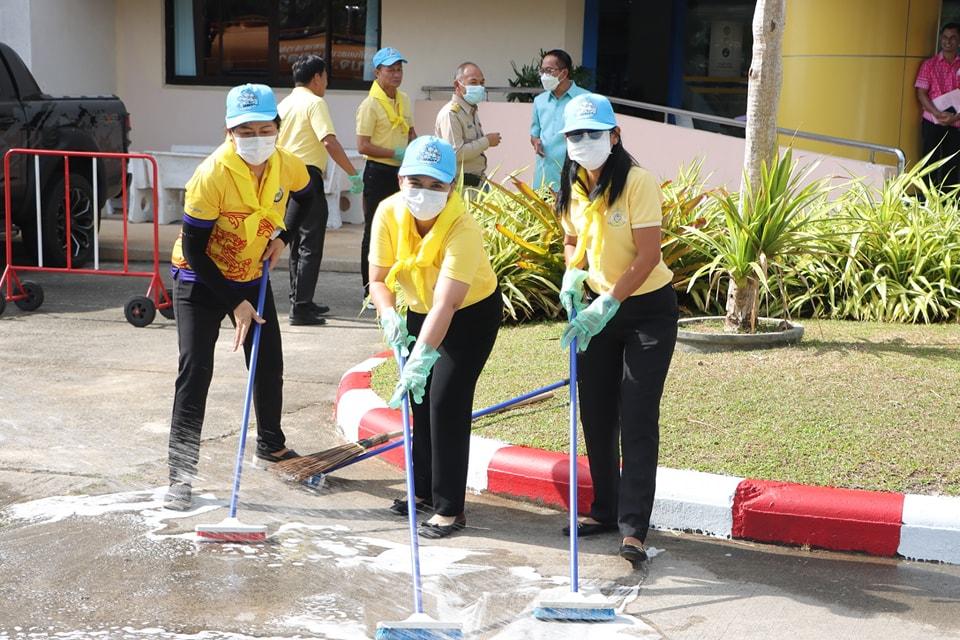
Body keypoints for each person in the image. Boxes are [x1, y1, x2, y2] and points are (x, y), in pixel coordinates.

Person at [164, 83, 312, 511]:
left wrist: (282, 237)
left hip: (249, 274)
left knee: (267, 362)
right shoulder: (211, 175)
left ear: (277, 128)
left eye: (264, 130)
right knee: (195, 370)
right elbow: (195, 250)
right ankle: (181, 475)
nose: (255, 139)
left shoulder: (286, 164)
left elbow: (308, 196)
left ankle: (271, 445)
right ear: (229, 132)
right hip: (199, 279)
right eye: (245, 131)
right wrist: (235, 303)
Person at [555, 93, 678, 568]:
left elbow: (648, 255)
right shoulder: (571, 181)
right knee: (596, 411)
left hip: (646, 310)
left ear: (615, 135)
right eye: (575, 135)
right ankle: (605, 509)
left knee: (637, 415)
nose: (583, 142)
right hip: (596, 308)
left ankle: (633, 529)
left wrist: (608, 301)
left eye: (593, 133)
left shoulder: (637, 182)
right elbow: (572, 239)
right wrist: (573, 274)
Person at [368, 135, 501, 539]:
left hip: (470, 314)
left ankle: (449, 508)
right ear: (401, 180)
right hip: (418, 310)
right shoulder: (388, 212)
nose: (424, 192)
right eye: (416, 182)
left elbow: (447, 303)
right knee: (419, 402)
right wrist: (389, 315)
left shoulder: (463, 227)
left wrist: (422, 356)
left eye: (436, 185)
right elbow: (378, 278)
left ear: (452, 187)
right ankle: (422, 490)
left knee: (445, 401)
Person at [278, 54, 364, 326]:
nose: (326, 83)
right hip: (306, 176)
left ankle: (299, 299)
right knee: (311, 243)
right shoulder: (315, 103)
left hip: (284, 177)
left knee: (295, 242)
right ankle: (301, 307)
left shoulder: (283, 104)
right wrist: (353, 173)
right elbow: (329, 142)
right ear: (316, 78)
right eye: (325, 77)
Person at [357, 46, 417, 306]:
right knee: (374, 230)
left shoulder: (404, 99)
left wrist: (415, 151)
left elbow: (410, 132)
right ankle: (370, 291)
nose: (396, 74)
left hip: (401, 172)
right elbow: (363, 145)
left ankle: (398, 287)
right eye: (390, 69)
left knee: (402, 227)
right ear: (377, 72)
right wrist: (395, 152)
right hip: (378, 171)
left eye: (399, 69)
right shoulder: (369, 105)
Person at [434, 62, 501, 187]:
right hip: (460, 185)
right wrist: (487, 141)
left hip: (477, 183)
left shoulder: (470, 111)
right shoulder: (451, 114)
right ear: (457, 85)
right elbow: (456, 153)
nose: (479, 87)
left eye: (482, 83)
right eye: (473, 82)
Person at [530, 49, 588, 191]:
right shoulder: (539, 101)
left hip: (574, 178)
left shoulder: (585, 99)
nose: (544, 75)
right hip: (544, 177)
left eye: (549, 70)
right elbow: (534, 134)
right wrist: (535, 141)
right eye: (542, 71)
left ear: (564, 73)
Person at [915, 22, 960, 188]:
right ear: (941, 39)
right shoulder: (929, 64)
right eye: (945, 37)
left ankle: (947, 201)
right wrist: (936, 113)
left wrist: (955, 117)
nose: (948, 41)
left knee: (952, 166)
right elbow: (921, 93)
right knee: (929, 163)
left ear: (959, 41)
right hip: (932, 121)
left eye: (953, 38)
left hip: (956, 123)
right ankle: (926, 199)